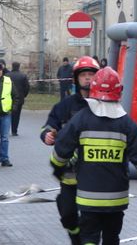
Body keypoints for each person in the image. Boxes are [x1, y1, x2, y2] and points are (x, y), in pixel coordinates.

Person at [50, 67, 137, 245]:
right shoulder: (126, 123)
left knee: (89, 237)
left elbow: (62, 147)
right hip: (116, 198)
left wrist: (57, 167)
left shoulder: (81, 119)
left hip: (88, 197)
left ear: (93, 89)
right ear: (119, 91)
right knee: (111, 238)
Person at [40, 56, 100, 245]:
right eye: (84, 75)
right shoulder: (65, 106)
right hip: (69, 174)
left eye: (91, 74)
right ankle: (76, 237)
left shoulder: (104, 105)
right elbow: (49, 126)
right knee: (67, 214)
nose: (88, 78)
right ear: (76, 78)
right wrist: (48, 134)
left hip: (95, 174)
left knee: (93, 219)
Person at [9, 61, 30, 136]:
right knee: (17, 115)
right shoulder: (23, 76)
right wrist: (24, 95)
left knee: (7, 114)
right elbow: (27, 87)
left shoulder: (7, 75)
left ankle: (5, 129)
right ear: (19, 67)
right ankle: (14, 131)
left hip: (8, 98)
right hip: (19, 98)